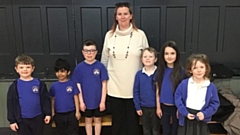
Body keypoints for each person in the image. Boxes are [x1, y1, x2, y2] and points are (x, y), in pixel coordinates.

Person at [101, 2, 149, 135]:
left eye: (125, 14)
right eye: (119, 14)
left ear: (131, 16)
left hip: (134, 87)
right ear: (115, 17)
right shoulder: (109, 36)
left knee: (133, 124)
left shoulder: (140, 35)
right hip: (114, 87)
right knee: (117, 124)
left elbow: (147, 59)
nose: (123, 17)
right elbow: (104, 61)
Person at [175, 53, 220, 135]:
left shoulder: (210, 86)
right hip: (186, 118)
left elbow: (215, 103)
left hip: (201, 119)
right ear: (190, 70)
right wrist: (185, 112)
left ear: (206, 68)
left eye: (202, 67)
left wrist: (204, 114)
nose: (199, 70)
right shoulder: (184, 84)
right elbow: (178, 99)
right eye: (195, 68)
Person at [7, 54, 51, 135]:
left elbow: (46, 100)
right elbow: (10, 104)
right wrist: (12, 121)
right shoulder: (14, 86)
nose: (25, 70)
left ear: (33, 68)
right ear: (16, 69)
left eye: (28, 67)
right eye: (21, 67)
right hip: (22, 120)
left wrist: (48, 113)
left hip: (38, 118)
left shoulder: (39, 84)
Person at [71, 39, 109, 135]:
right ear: (83, 53)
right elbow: (77, 85)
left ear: (96, 52)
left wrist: (102, 101)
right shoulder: (79, 68)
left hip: (98, 101)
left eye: (92, 51)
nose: (89, 53)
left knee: (97, 120)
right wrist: (81, 102)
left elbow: (104, 84)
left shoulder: (100, 67)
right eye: (87, 51)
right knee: (88, 121)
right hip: (86, 101)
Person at [156, 41, 184, 135]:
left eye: (172, 53)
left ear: (177, 54)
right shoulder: (160, 71)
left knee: (175, 131)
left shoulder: (181, 72)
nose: (169, 56)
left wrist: (180, 108)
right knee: (166, 130)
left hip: (176, 107)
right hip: (163, 107)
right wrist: (158, 107)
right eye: (166, 53)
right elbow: (158, 90)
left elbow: (184, 93)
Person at [133, 47, 161, 135]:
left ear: (155, 59)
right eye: (145, 57)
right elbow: (136, 91)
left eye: (150, 56)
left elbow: (161, 91)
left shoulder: (159, 73)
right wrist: (137, 106)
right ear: (141, 59)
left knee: (156, 129)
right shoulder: (139, 74)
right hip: (144, 107)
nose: (148, 58)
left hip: (156, 108)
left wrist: (159, 107)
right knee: (146, 129)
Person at [49, 58, 80, 135]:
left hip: (71, 114)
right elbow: (52, 99)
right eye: (57, 71)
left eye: (62, 71)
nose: (60, 74)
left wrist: (77, 111)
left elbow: (75, 97)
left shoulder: (72, 84)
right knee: (61, 132)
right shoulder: (54, 86)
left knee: (73, 132)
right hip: (59, 114)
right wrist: (52, 112)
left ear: (68, 72)